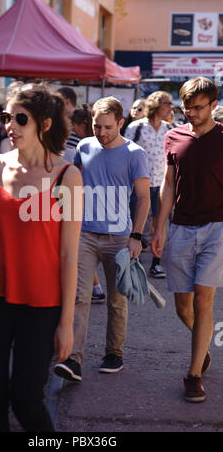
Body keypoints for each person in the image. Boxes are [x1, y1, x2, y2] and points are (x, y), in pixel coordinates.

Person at [0, 82, 83, 431]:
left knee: (26, 398)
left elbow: (69, 254)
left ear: (44, 123)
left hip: (41, 305)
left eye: (20, 118)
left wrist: (66, 323)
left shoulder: (68, 176)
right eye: (6, 117)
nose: (9, 126)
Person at [54, 96, 150, 381]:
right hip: (83, 233)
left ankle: (114, 353)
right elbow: (73, 187)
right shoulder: (83, 147)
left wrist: (137, 237)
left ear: (121, 122)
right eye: (97, 126)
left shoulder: (135, 153)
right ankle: (73, 359)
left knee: (117, 301)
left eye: (108, 127)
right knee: (78, 297)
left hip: (120, 238)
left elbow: (144, 199)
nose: (102, 132)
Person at [151, 77, 223, 403]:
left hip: (217, 229)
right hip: (181, 228)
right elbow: (168, 184)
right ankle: (202, 346)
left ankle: (194, 375)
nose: (191, 113)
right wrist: (159, 226)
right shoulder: (173, 136)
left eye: (198, 107)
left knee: (203, 301)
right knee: (183, 306)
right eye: (187, 107)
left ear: (213, 105)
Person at [125, 91, 173, 279]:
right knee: (136, 222)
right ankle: (130, 261)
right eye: (166, 103)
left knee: (160, 224)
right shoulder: (136, 127)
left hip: (161, 184)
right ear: (156, 104)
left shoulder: (170, 129)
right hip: (139, 183)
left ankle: (156, 263)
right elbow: (125, 153)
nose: (170, 106)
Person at [71, 106, 106, 304]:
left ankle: (94, 288)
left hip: (91, 207)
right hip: (85, 204)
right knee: (81, 251)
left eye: (75, 125)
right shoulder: (83, 146)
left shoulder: (88, 145)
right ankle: (95, 288)